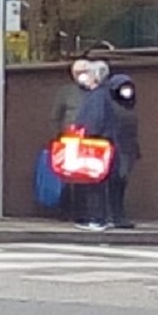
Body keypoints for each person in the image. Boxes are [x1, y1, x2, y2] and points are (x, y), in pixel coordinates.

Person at [72, 60, 116, 232]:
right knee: (95, 182)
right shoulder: (98, 94)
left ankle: (98, 219)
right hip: (97, 142)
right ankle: (98, 217)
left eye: (89, 74)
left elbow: (95, 120)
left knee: (95, 182)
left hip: (95, 144)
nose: (85, 77)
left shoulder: (98, 95)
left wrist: (84, 133)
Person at [50, 59, 91, 221]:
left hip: (90, 141)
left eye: (84, 72)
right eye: (78, 72)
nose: (81, 75)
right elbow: (56, 116)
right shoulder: (66, 92)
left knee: (86, 177)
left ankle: (83, 212)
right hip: (69, 141)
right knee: (68, 178)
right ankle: (65, 210)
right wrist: (57, 138)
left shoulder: (95, 90)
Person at [107, 74, 140, 229]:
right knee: (114, 185)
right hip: (116, 150)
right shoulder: (111, 107)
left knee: (120, 185)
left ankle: (118, 215)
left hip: (127, 150)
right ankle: (115, 216)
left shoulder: (128, 107)